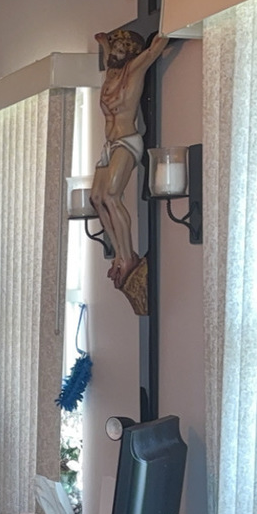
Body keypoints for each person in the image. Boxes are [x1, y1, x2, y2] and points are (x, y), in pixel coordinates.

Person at [90, 27, 174, 316]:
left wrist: (169, 24)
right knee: (96, 199)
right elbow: (108, 58)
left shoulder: (134, 69)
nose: (112, 52)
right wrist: (103, 43)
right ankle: (116, 254)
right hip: (109, 143)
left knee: (112, 196)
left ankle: (127, 258)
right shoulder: (110, 76)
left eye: (117, 48)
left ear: (128, 51)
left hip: (127, 140)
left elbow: (153, 50)